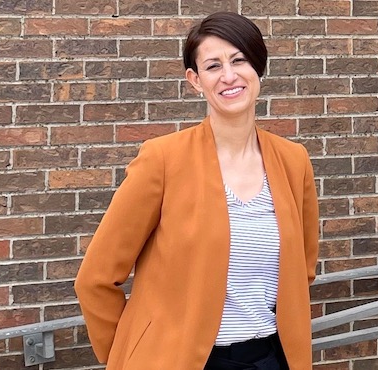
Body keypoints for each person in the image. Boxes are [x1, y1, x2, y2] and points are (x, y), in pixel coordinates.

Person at [74, 12, 319, 370]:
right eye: (213, 66)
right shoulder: (163, 159)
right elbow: (95, 279)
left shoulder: (293, 161)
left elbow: (302, 270)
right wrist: (131, 355)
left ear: (258, 68)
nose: (229, 76)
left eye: (239, 60)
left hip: (270, 358)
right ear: (195, 80)